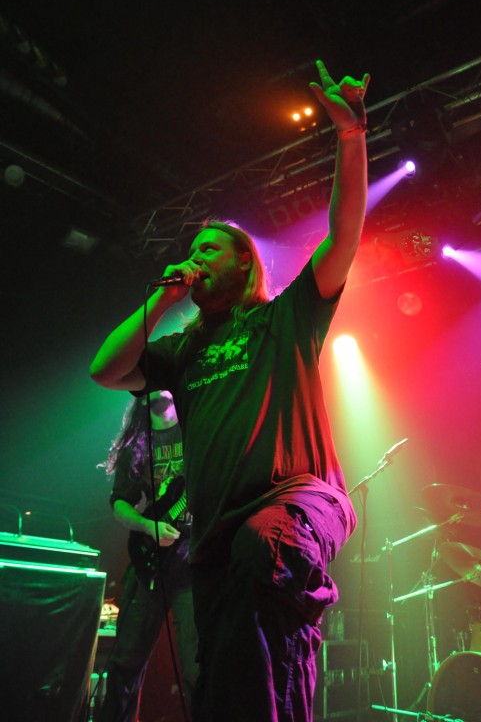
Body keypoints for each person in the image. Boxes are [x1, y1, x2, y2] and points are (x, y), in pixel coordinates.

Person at [90, 59, 369, 722]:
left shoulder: (284, 318)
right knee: (221, 674)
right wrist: (161, 301)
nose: (196, 258)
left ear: (243, 260)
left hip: (297, 500)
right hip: (217, 534)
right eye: (192, 249)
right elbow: (105, 369)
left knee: (260, 554)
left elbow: (344, 234)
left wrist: (351, 137)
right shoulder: (182, 350)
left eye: (209, 249)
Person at [96, 390, 198, 722]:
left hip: (193, 566)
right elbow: (120, 503)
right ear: (140, 396)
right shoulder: (136, 444)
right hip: (150, 567)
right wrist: (148, 526)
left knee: (197, 670)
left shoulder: (197, 429)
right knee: (124, 665)